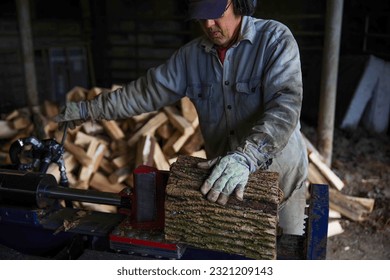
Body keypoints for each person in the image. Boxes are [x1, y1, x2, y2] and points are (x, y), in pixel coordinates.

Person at [55, 0, 308, 235]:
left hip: (280, 179)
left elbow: (284, 108)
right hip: (224, 182)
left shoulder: (274, 39)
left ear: (238, 3)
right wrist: (88, 110)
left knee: (287, 252)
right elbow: (142, 93)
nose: (208, 25)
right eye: (201, 18)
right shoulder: (191, 58)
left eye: (215, 14)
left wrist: (247, 157)